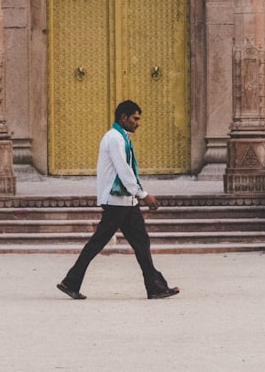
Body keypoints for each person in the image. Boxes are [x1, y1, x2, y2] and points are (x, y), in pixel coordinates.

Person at [57, 100, 180, 300]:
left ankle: (156, 286)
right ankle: (70, 281)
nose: (138, 123)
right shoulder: (114, 138)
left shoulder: (122, 138)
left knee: (140, 242)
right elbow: (124, 170)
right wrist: (143, 194)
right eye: (135, 118)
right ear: (124, 117)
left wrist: (137, 195)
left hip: (126, 202)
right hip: (116, 201)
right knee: (99, 242)